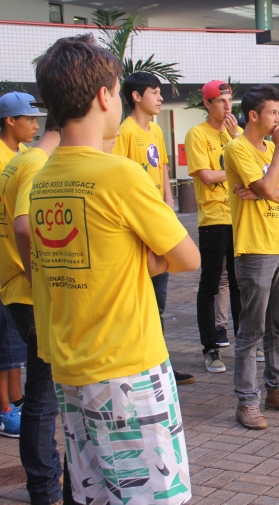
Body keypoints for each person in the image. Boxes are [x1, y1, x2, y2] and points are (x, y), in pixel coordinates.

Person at [33, 34, 200, 503]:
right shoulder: (119, 174)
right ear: (104, 96)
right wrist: (138, 257)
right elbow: (188, 257)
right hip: (128, 366)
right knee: (154, 496)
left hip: (70, 365)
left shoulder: (42, 177)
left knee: (97, 494)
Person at [224, 84, 279, 430]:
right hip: (254, 249)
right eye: (273, 112)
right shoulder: (237, 148)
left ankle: (277, 390)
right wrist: (272, 173)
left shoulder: (277, 152)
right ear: (253, 115)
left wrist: (267, 190)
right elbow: (268, 187)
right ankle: (247, 401)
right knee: (251, 330)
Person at [0, 106, 63, 504]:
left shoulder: (21, 160)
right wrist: (40, 281)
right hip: (29, 296)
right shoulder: (36, 163)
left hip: (18, 291)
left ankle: (47, 480)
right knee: (42, 399)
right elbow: (23, 225)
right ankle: (44, 486)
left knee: (42, 395)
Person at [113, 71, 194, 385]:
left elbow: (162, 171)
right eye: (154, 92)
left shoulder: (157, 131)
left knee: (158, 300)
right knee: (137, 300)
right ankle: (138, 365)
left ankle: (161, 365)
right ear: (136, 96)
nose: (160, 98)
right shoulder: (124, 132)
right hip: (135, 228)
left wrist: (169, 203)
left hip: (157, 224)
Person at [0, 92, 37, 438]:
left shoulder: (21, 155)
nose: (34, 125)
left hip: (14, 261)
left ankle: (16, 400)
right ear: (9, 120)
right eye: (28, 119)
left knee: (16, 339)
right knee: (2, 338)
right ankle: (2, 410)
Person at [185, 79, 242, 372]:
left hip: (240, 217)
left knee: (240, 283)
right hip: (214, 218)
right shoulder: (197, 134)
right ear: (207, 104)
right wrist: (234, 170)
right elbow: (206, 176)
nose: (227, 106)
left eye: (229, 100)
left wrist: (236, 139)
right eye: (220, 101)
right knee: (210, 284)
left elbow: (254, 167)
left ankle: (246, 342)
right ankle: (210, 348)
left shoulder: (237, 134)